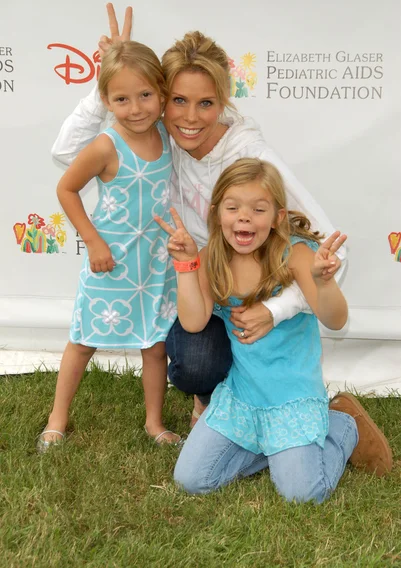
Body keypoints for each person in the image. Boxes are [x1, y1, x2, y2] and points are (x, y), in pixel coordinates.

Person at [52, 4, 347, 426]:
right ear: (161, 100)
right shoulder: (160, 136)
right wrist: (111, 77)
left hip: (257, 300)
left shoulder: (251, 155)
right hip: (202, 291)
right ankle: (208, 399)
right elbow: (66, 155)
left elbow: (334, 254)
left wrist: (276, 309)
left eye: (205, 103)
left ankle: (281, 401)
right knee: (194, 365)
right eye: (178, 101)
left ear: (223, 101)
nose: (190, 118)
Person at [156, 158, 393, 503]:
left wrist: (322, 282)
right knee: (192, 479)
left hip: (291, 398)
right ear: (217, 212)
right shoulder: (212, 257)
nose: (244, 217)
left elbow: (336, 320)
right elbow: (193, 323)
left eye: (258, 209)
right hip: (242, 397)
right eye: (233, 207)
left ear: (278, 217)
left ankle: (342, 425)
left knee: (303, 494)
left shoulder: (295, 254)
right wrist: (186, 265)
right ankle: (279, 450)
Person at [38, 41, 182, 452]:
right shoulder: (106, 145)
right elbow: (66, 188)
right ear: (106, 100)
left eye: (145, 95)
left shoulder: (165, 134)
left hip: (155, 263)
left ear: (161, 92)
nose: (136, 108)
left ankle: (154, 422)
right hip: (111, 261)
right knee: (84, 340)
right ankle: (57, 418)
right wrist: (93, 240)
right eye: (122, 98)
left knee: (154, 346)